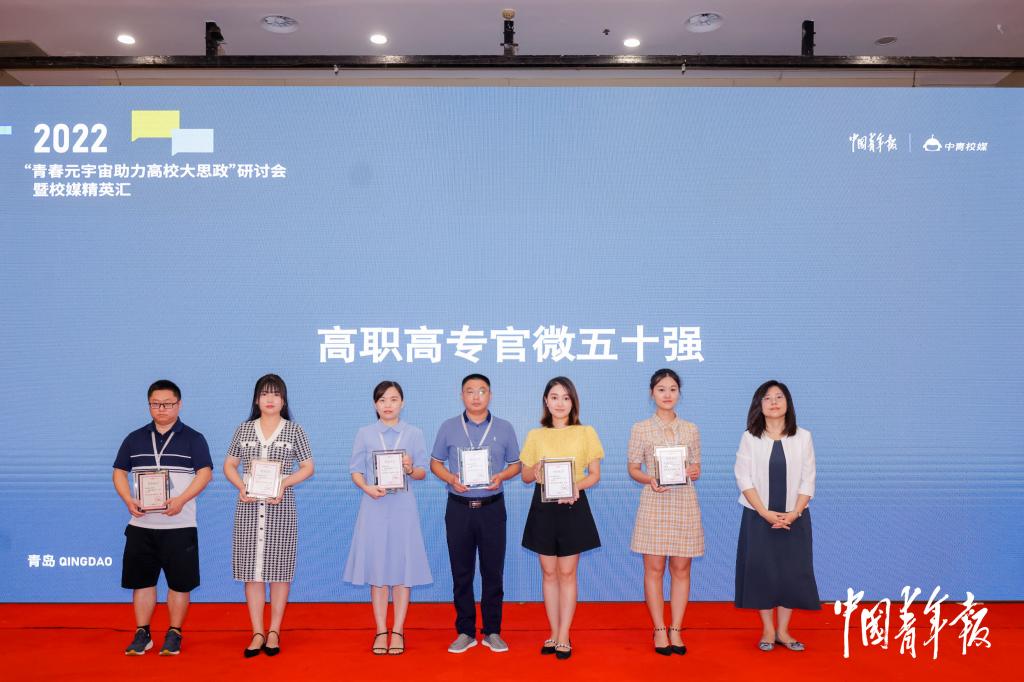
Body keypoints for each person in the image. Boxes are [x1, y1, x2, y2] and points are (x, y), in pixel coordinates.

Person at [112, 379, 213, 656]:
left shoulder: (193, 438)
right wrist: (128, 499)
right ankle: (142, 633)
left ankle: (174, 632)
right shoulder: (134, 438)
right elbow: (119, 472)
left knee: (179, 583)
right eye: (155, 404)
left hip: (180, 525)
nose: (162, 409)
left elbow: (205, 473)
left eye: (168, 404)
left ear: (179, 405)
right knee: (142, 582)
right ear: (149, 405)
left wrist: (181, 500)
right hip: (141, 525)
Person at [224, 374, 315, 657]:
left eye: (276, 394)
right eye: (265, 394)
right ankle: (257, 631)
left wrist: (283, 483)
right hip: (249, 508)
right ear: (256, 399)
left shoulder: (294, 430)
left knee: (279, 572)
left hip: (280, 508)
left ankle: (274, 630)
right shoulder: (243, 429)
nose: (270, 399)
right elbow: (229, 465)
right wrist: (241, 486)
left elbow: (308, 467)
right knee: (252, 574)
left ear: (284, 400)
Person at [430, 374, 521, 654]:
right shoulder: (448, 427)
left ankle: (493, 631)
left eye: (482, 391)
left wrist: (502, 476)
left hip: (492, 508)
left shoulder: (504, 427)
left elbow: (516, 465)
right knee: (462, 572)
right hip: (459, 508)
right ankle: (465, 631)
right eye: (470, 391)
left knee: (493, 572)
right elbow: (435, 463)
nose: (476, 396)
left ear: (490, 395)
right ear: (462, 396)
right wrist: (450, 478)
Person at [344, 381, 432, 655]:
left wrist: (410, 468)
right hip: (374, 506)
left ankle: (399, 630)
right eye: (382, 400)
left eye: (393, 399)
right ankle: (381, 630)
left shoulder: (414, 433)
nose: (388, 405)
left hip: (403, 508)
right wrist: (367, 487)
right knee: (378, 571)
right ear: (375, 404)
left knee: (403, 571)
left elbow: (422, 472)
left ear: (402, 403)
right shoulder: (365, 433)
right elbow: (356, 470)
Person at [519, 376, 603, 660]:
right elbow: (525, 475)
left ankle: (565, 634)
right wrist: (536, 470)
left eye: (566, 398)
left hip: (573, 505)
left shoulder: (586, 432)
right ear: (546, 401)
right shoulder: (535, 435)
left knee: (567, 573)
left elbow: (594, 475)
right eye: (554, 397)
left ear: (573, 402)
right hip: (543, 507)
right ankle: (553, 632)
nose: (560, 403)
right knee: (548, 572)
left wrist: (574, 488)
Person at [734, 380, 819, 652]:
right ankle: (768, 630)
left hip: (795, 518)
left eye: (779, 397)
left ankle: (783, 630)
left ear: (787, 403)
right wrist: (764, 513)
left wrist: (794, 513)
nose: (774, 402)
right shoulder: (750, 437)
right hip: (759, 517)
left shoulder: (803, 437)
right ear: (759, 405)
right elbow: (743, 477)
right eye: (767, 398)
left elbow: (808, 479)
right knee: (763, 573)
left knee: (790, 574)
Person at [627, 368, 703, 656]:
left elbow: (696, 466)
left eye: (672, 389)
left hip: (684, 503)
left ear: (679, 393)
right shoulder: (641, 428)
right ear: (652, 393)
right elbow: (633, 468)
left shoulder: (691, 429)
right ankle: (659, 628)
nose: (667, 394)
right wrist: (650, 479)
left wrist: (694, 470)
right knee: (654, 569)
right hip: (654, 502)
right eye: (661, 389)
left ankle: (676, 628)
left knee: (681, 569)